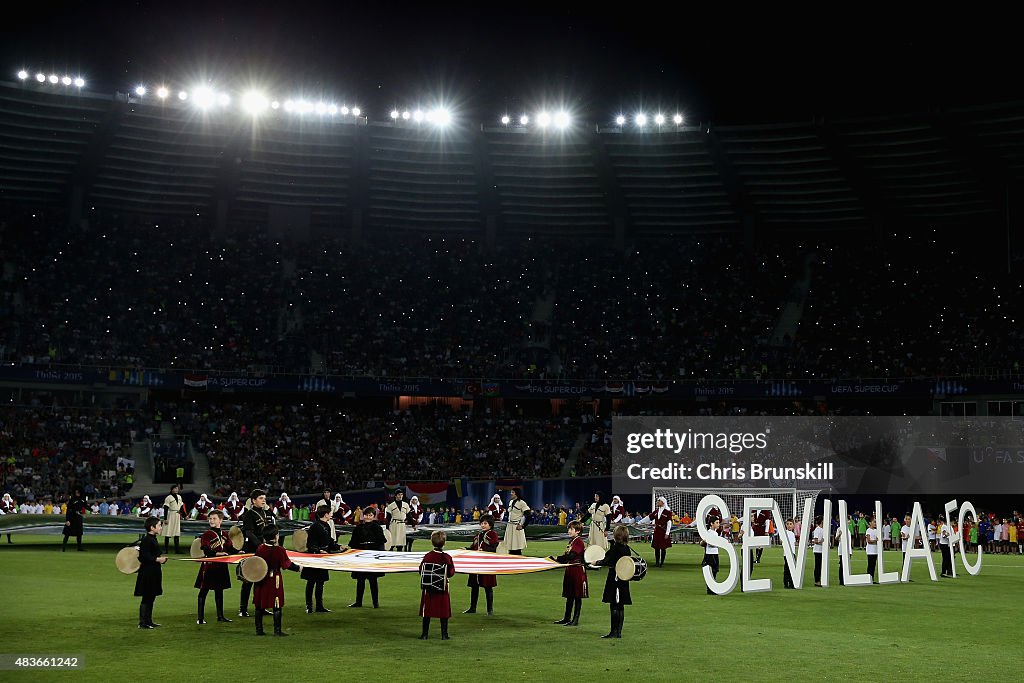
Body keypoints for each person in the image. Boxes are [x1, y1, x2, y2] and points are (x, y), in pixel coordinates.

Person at [253, 525, 301, 636]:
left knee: (259, 604)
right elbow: (287, 564)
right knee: (277, 604)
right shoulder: (279, 550)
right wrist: (299, 568)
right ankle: (277, 631)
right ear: (276, 536)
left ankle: (259, 630)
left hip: (260, 578)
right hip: (274, 579)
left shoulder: (260, 548)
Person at [195, 509, 239, 624]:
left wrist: (239, 552)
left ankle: (220, 616)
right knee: (203, 591)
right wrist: (216, 554)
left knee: (219, 591)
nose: (211, 521)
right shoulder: (207, 534)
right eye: (210, 518)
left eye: (214, 518)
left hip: (221, 566)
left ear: (220, 520)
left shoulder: (224, 534)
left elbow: (230, 548)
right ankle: (200, 618)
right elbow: (205, 549)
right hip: (209, 566)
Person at [589, 525, 632, 639]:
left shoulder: (616, 548)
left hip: (615, 578)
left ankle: (614, 632)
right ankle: (618, 632)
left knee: (614, 604)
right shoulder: (626, 548)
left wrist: (595, 563)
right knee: (620, 605)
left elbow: (606, 560)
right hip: (624, 578)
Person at [239, 489, 276, 617]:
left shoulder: (266, 513)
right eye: (261, 498)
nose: (263, 500)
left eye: (264, 498)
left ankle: (261, 607)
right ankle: (243, 609)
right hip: (253, 550)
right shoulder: (249, 515)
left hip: (264, 550)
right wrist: (260, 546)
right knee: (248, 580)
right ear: (253, 501)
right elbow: (249, 533)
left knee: (262, 581)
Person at [302, 506, 344, 613]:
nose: (331, 514)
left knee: (320, 582)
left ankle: (319, 606)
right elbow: (310, 544)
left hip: (323, 558)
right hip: (314, 558)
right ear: (325, 514)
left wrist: (338, 547)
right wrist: (318, 551)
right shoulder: (315, 526)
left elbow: (329, 541)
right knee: (311, 582)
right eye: (330, 513)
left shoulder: (326, 525)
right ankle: (309, 606)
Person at [418, 530, 455, 640]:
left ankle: (424, 634)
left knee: (427, 612)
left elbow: (421, 570)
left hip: (428, 588)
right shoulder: (446, 557)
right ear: (444, 543)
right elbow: (451, 572)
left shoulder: (428, 556)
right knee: (443, 612)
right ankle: (444, 635)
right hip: (442, 588)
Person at [349, 506, 386, 608]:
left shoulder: (377, 528)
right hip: (361, 557)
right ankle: (358, 602)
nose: (368, 517)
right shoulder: (358, 528)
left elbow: (381, 543)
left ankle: (375, 602)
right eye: (366, 515)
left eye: (370, 515)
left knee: (373, 580)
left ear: (374, 516)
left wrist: (379, 556)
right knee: (360, 580)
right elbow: (353, 544)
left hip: (372, 557)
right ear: (363, 516)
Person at [136, 516, 169, 629]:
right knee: (147, 597)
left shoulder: (152, 538)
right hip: (147, 573)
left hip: (154, 571)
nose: (160, 528)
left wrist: (160, 559)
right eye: (159, 525)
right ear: (152, 527)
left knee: (151, 596)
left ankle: (149, 621)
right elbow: (143, 556)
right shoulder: (146, 540)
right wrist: (157, 559)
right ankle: (143, 622)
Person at [464, 515, 499, 615]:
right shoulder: (478, 535)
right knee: (474, 586)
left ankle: (490, 610)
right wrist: (466, 550)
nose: (483, 525)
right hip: (476, 564)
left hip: (487, 564)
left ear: (490, 525)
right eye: (482, 523)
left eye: (485, 523)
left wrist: (483, 550)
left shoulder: (493, 534)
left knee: (488, 587)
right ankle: (472, 608)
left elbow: (493, 547)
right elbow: (473, 547)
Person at [504, 489, 531, 555]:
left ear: (517, 493)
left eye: (512, 492)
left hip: (516, 526)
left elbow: (529, 515)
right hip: (509, 526)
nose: (511, 493)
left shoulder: (522, 503)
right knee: (509, 546)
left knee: (517, 546)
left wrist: (523, 526)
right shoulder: (510, 502)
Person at [648, 496, 673, 567]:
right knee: (656, 548)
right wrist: (639, 523)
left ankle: (661, 563)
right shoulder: (656, 511)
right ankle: (657, 562)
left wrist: (667, 533)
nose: (657, 502)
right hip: (657, 531)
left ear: (663, 502)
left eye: (659, 501)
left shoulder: (668, 512)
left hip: (663, 532)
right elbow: (649, 518)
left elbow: (669, 523)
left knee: (663, 548)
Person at [701, 517, 722, 595]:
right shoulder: (710, 533)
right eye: (716, 522)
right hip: (710, 554)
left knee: (715, 571)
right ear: (711, 523)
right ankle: (710, 589)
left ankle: (712, 588)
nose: (718, 524)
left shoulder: (715, 533)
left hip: (715, 553)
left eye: (718, 522)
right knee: (712, 572)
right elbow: (710, 543)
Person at [162, 484, 185, 554]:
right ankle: (166, 550)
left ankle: (177, 550)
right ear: (172, 489)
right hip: (171, 515)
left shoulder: (179, 497)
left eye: (177, 488)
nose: (176, 490)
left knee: (176, 533)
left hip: (177, 515)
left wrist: (184, 515)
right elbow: (165, 508)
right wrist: (165, 518)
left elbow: (181, 507)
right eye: (175, 488)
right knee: (167, 533)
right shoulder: (168, 498)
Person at [62, 488, 87, 552]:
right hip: (72, 518)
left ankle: (79, 547)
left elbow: (83, 508)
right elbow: (68, 511)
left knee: (79, 533)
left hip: (78, 518)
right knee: (67, 533)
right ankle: (63, 548)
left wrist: (82, 513)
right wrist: (67, 520)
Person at [782, 519, 797, 589]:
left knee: (792, 569)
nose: (789, 525)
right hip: (787, 553)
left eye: (791, 524)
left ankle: (791, 583)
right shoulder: (785, 532)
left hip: (793, 553)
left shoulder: (792, 534)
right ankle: (786, 583)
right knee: (787, 569)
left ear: (793, 525)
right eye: (787, 524)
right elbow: (781, 540)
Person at [811, 516, 825, 587]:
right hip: (817, 551)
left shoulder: (823, 529)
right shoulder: (817, 529)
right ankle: (817, 581)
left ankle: (820, 579)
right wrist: (822, 541)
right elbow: (815, 541)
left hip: (822, 551)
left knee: (821, 566)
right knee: (818, 566)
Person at [864, 518, 879, 583]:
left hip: (875, 550)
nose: (875, 523)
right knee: (870, 565)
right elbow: (869, 540)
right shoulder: (868, 530)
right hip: (870, 551)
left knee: (873, 565)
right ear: (870, 523)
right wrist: (875, 541)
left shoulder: (876, 530)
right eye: (874, 522)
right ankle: (868, 578)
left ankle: (872, 579)